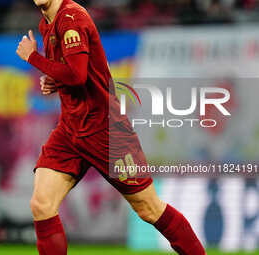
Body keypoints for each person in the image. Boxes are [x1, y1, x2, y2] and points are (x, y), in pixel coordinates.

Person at [16, 0, 206, 254]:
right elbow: (74, 73)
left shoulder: (71, 19)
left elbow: (77, 75)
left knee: (149, 208)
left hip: (104, 130)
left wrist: (33, 57)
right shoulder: (46, 23)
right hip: (70, 129)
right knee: (42, 204)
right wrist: (54, 81)